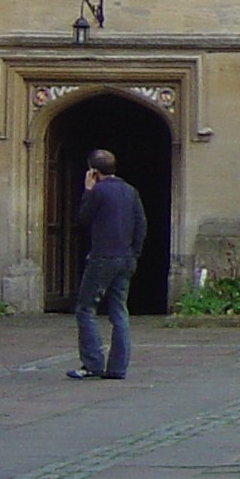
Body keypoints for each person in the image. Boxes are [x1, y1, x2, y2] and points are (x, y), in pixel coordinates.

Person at [71, 149, 146, 381]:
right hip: (126, 258)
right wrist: (134, 253)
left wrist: (87, 190)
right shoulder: (130, 191)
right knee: (119, 312)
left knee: (85, 308)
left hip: (103, 256)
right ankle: (118, 368)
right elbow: (141, 225)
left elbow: (83, 219)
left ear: (93, 171)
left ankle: (92, 363)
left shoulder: (98, 191)